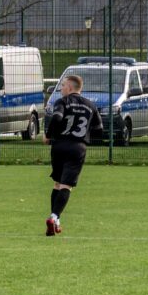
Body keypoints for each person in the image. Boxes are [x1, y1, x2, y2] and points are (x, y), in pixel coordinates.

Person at [43, 71, 104, 236]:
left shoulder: (62, 102)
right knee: (66, 186)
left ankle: (56, 221)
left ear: (69, 87)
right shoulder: (91, 105)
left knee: (57, 183)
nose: (61, 88)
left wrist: (48, 136)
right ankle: (54, 217)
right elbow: (99, 130)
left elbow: (56, 119)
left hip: (59, 146)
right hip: (77, 148)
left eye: (63, 85)